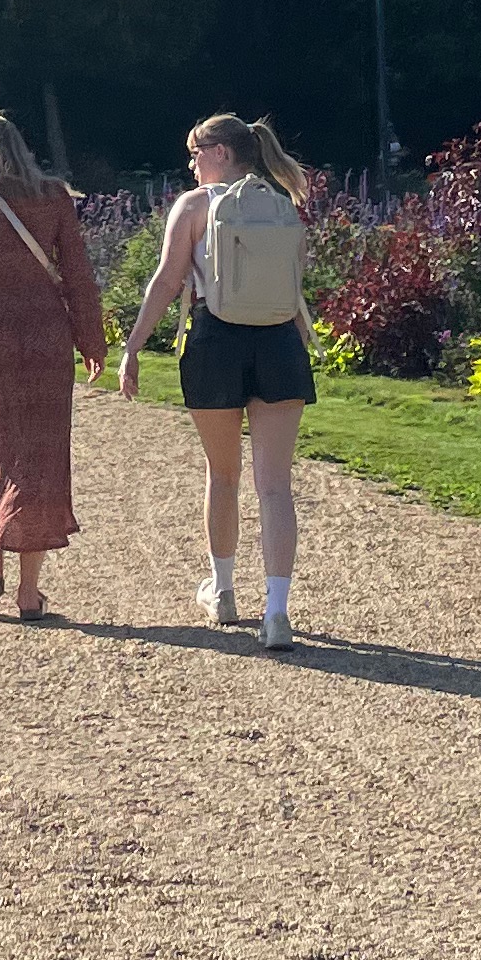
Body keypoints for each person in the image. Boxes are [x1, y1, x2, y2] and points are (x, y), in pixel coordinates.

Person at [116, 112, 319, 651]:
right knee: (275, 487)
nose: (191, 163)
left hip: (215, 341)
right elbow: (296, 282)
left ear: (221, 153)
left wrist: (133, 347)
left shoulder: (194, 206)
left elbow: (167, 280)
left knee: (223, 474)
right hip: (279, 343)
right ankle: (277, 610)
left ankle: (223, 591)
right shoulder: (281, 205)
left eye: (196, 152)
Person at [0, 110, 106, 619]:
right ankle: (30, 592)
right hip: (47, 339)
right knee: (42, 457)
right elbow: (78, 275)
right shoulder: (53, 198)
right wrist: (92, 343)